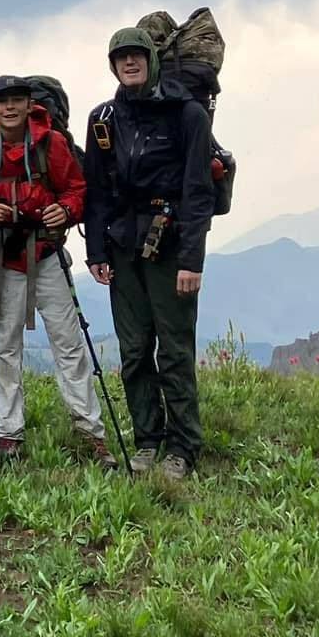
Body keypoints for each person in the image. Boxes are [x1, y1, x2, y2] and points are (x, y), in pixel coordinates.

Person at [0, 76, 113, 466]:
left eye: (16, 100)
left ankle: (89, 432)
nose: (9, 107)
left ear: (30, 105)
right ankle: (7, 432)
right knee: (5, 345)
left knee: (67, 343)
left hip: (45, 254)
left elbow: (76, 190)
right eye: (1, 101)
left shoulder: (52, 143)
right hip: (5, 256)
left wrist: (67, 210)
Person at [82, 27, 215, 481]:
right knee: (135, 349)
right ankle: (147, 440)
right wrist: (95, 250)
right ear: (113, 65)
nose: (130, 63)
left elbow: (198, 193)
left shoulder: (187, 115)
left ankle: (183, 446)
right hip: (122, 248)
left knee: (174, 350)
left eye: (137, 55)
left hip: (170, 244)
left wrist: (192, 260)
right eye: (121, 57)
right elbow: (97, 192)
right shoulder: (103, 119)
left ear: (152, 60)